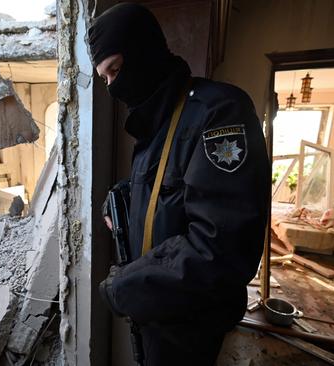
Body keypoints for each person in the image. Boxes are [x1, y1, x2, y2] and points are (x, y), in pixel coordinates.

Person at [89, 3, 270, 365]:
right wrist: (128, 194)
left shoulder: (219, 112)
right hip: (157, 306)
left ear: (144, 50)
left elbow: (219, 247)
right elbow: (172, 185)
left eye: (116, 70)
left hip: (190, 319)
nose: (112, 87)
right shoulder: (157, 122)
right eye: (104, 78)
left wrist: (125, 286)